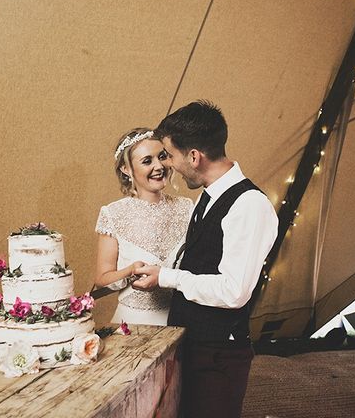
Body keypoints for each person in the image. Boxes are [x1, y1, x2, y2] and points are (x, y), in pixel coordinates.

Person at [133, 101, 278, 417]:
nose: (168, 164)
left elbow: (234, 291)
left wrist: (167, 278)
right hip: (191, 343)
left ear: (194, 156)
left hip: (219, 354)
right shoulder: (206, 195)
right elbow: (193, 254)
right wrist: (158, 270)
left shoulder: (249, 205)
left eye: (170, 155)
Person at [94, 127, 192, 326]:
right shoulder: (113, 214)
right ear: (126, 169)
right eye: (147, 161)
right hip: (133, 324)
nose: (159, 166)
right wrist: (130, 271)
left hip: (181, 320)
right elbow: (102, 279)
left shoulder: (187, 207)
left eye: (162, 156)